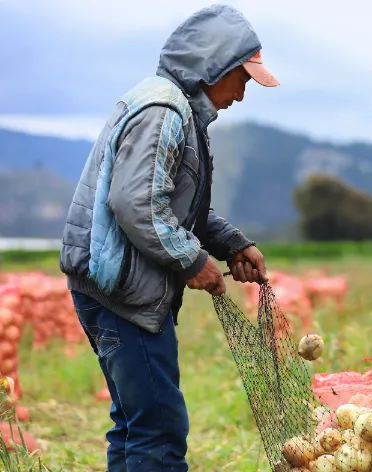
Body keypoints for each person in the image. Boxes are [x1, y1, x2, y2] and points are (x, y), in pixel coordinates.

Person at [58, 5, 278, 470]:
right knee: (158, 427)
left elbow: (179, 207)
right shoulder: (164, 111)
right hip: (122, 295)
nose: (242, 94)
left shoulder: (175, 110)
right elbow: (135, 204)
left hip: (114, 290)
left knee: (136, 423)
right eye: (242, 79)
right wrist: (190, 259)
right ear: (213, 67)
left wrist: (232, 244)